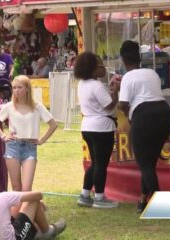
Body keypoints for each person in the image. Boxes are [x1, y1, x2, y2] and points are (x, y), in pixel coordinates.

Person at [118, 40, 170, 213]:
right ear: (140, 57)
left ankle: (160, 203)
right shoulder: (152, 73)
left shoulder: (127, 77)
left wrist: (129, 117)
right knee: (149, 163)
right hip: (164, 113)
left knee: (144, 163)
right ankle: (142, 201)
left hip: (144, 116)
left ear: (122, 60)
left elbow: (123, 104)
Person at [0, 75, 57, 194]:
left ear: (27, 89)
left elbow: (53, 125)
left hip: (30, 148)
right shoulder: (9, 106)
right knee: (16, 187)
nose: (16, 90)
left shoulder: (37, 106)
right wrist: (3, 136)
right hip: (13, 147)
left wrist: (41, 140)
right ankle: (16, 212)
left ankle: (24, 211)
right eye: (14, 88)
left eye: (19, 87)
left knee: (26, 188)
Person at [74, 52, 120, 209]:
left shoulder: (82, 84)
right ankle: (99, 197)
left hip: (87, 126)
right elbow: (109, 105)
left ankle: (85, 194)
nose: (103, 68)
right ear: (93, 69)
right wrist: (116, 92)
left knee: (95, 163)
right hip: (102, 128)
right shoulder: (97, 85)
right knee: (101, 164)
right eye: (100, 65)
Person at [0, 170, 66, 240]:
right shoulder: (3, 197)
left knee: (17, 204)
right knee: (33, 201)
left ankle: (36, 231)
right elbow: (38, 195)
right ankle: (47, 232)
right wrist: (40, 204)